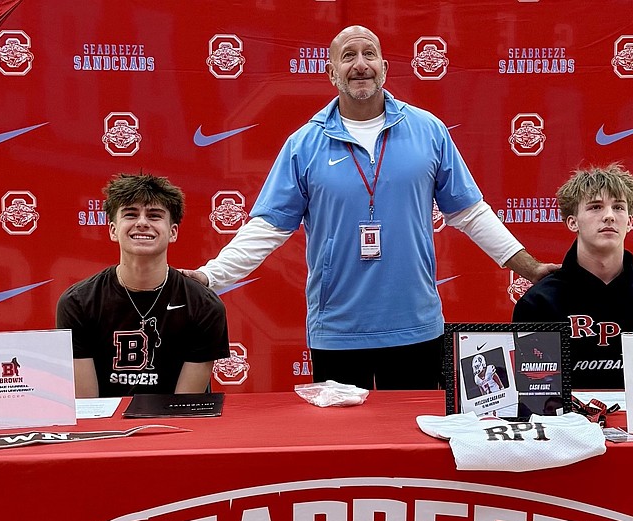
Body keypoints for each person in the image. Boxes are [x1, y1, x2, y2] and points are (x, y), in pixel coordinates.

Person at [182, 25, 555, 391]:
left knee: (416, 445)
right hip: (338, 332)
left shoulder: (429, 131)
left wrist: (530, 267)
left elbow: (469, 213)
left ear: (384, 68)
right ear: (331, 73)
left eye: (369, 54)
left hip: (416, 326)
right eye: (348, 56)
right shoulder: (304, 144)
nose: (360, 64)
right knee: (343, 450)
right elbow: (268, 227)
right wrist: (211, 276)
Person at [513, 163, 633, 389]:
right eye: (595, 207)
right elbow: (531, 389)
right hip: (564, 421)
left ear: (631, 221)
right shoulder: (539, 302)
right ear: (573, 222)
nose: (609, 216)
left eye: (618, 207)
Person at [57, 173, 230, 397]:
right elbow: (88, 408)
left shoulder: (204, 306)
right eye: (130, 214)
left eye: (154, 215)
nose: (142, 223)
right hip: (106, 429)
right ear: (112, 230)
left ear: (173, 232)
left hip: (176, 428)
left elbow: (185, 406)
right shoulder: (77, 303)